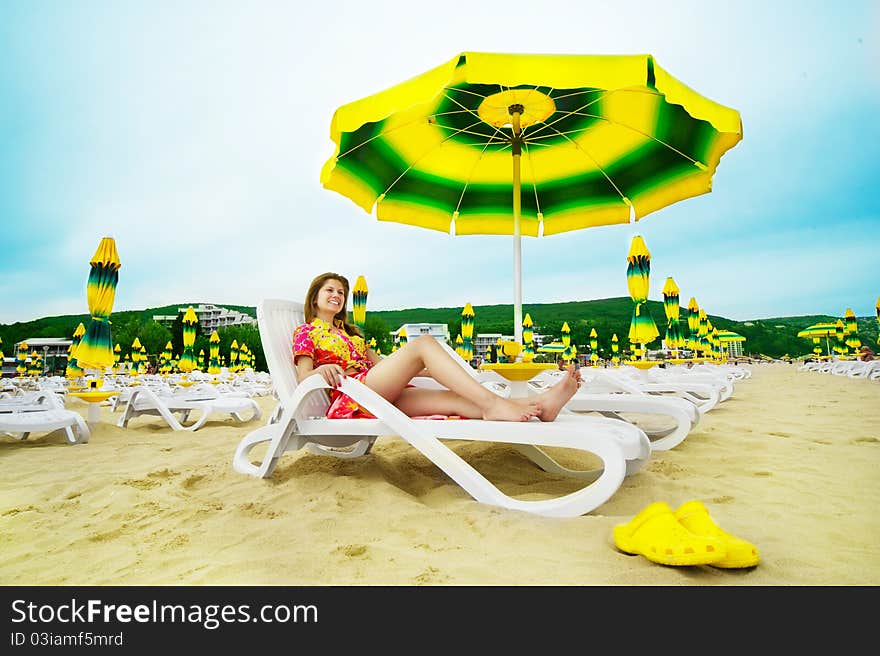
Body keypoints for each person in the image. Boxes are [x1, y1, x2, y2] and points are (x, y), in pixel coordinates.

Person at [293, 272, 581, 422]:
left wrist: (429, 370)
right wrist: (322, 368)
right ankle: (494, 405)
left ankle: (543, 407)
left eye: (341, 292)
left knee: (455, 398)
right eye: (330, 290)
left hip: (378, 390)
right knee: (425, 343)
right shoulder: (305, 332)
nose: (337, 295)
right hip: (352, 396)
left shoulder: (352, 334)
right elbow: (303, 378)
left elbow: (381, 365)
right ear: (314, 297)